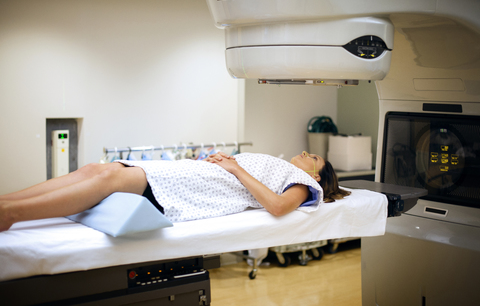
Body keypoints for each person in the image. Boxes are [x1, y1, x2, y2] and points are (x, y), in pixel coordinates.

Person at [0, 151, 349, 232]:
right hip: (192, 171)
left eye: (313, 157)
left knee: (108, 180)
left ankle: (11, 215)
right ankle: (7, 200)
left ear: (318, 174)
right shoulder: (280, 162)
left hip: (190, 188)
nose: (305, 153)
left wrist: (235, 167)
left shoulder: (305, 185)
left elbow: (275, 206)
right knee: (98, 169)